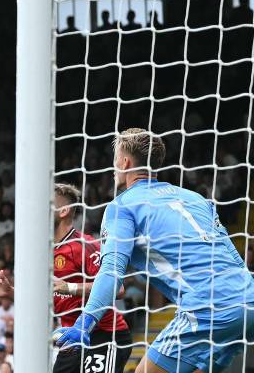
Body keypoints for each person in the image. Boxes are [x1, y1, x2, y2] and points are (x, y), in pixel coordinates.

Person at [55, 128, 254, 373]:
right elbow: (233, 255)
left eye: (115, 159)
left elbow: (111, 272)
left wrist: (83, 324)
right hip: (248, 297)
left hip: (208, 306)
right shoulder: (196, 198)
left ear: (124, 161)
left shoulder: (122, 206)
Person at [50, 183, 131, 373]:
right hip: (71, 337)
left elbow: (118, 289)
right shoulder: (46, 251)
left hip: (105, 334)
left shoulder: (82, 245)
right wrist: (10, 292)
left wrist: (69, 287)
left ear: (63, 211)